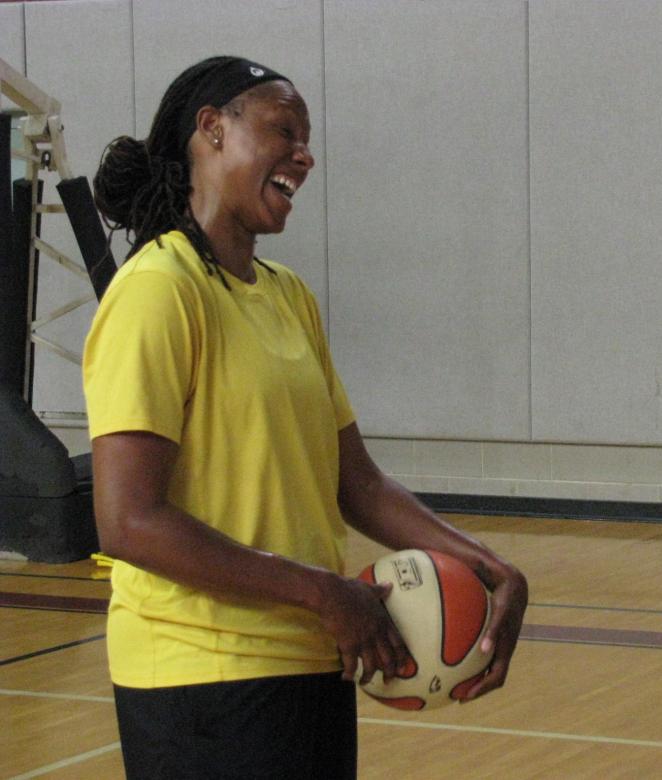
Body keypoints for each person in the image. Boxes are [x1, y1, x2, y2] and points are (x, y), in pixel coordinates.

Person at [84, 56, 528, 779]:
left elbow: (359, 485)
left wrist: (492, 567)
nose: (305, 154)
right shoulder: (157, 291)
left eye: (308, 137)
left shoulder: (288, 297)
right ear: (212, 131)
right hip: (198, 681)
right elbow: (128, 520)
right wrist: (322, 591)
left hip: (311, 665)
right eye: (282, 130)